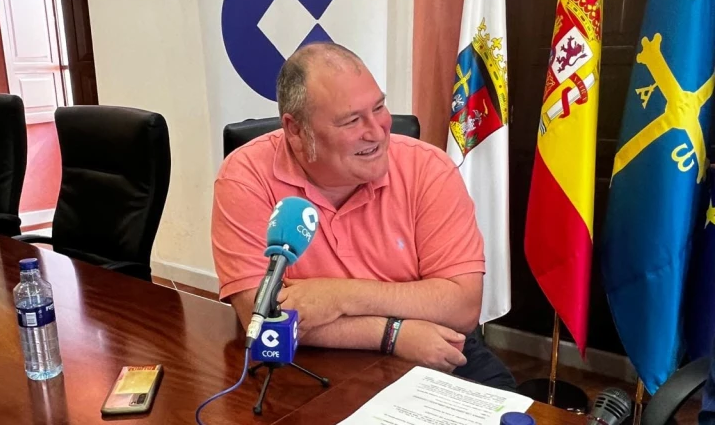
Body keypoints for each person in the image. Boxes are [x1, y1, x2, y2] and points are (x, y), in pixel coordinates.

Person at [211, 42, 515, 390]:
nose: (377, 131)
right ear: (295, 130)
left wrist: (338, 297)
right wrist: (392, 333)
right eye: (352, 120)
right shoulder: (245, 177)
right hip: (308, 360)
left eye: (379, 107)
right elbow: (260, 317)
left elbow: (462, 307)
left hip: (434, 345)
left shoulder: (428, 169)